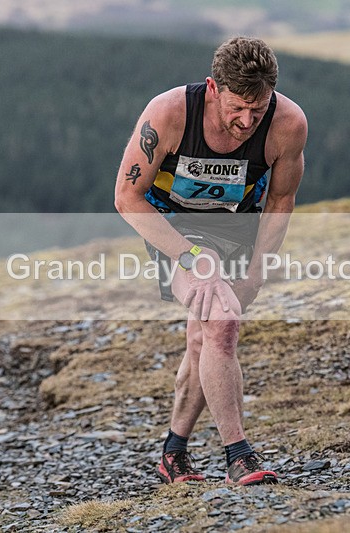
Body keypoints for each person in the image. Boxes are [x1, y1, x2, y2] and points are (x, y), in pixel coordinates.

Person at [114, 36, 307, 486]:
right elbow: (126, 197)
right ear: (213, 88)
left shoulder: (288, 124)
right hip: (173, 228)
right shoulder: (169, 114)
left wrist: (257, 273)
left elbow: (281, 200)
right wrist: (190, 255)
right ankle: (239, 455)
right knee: (221, 321)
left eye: (257, 111)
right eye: (237, 108)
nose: (245, 121)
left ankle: (173, 452)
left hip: (238, 229)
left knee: (204, 335)